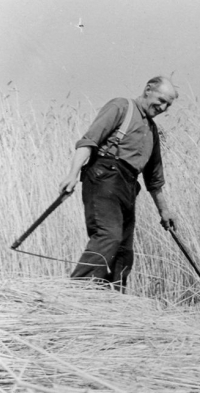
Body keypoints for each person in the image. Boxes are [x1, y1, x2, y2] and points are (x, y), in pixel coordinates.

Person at [58, 76, 179, 291]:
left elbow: (154, 179)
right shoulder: (121, 107)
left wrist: (165, 211)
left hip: (128, 187)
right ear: (148, 89)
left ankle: (114, 303)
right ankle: (74, 293)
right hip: (104, 178)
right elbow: (89, 141)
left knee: (123, 252)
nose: (163, 107)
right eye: (161, 100)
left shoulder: (152, 131)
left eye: (168, 105)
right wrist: (72, 174)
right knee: (108, 237)